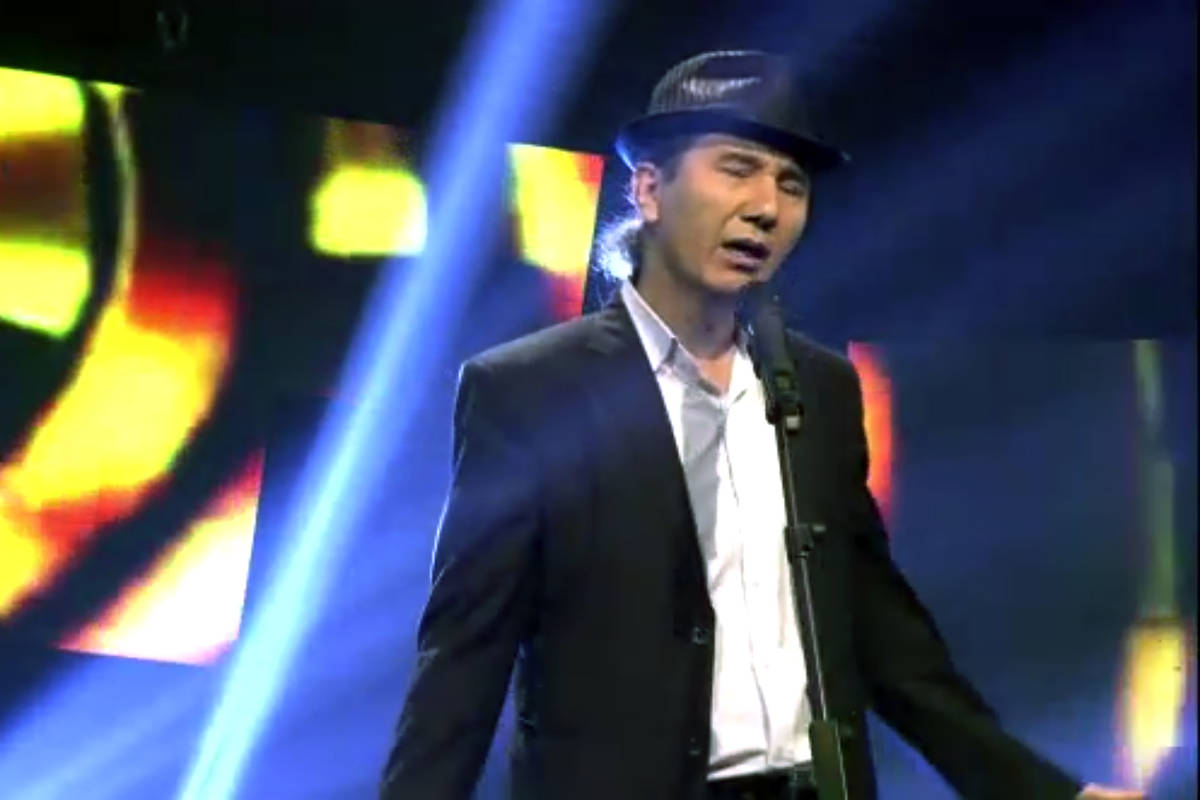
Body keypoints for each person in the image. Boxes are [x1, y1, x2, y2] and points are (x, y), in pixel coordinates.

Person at [380, 50, 1144, 800]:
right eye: (737, 169)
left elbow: (885, 640)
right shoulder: (530, 391)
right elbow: (464, 661)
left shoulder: (818, 388)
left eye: (791, 184)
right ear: (649, 190)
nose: (767, 207)